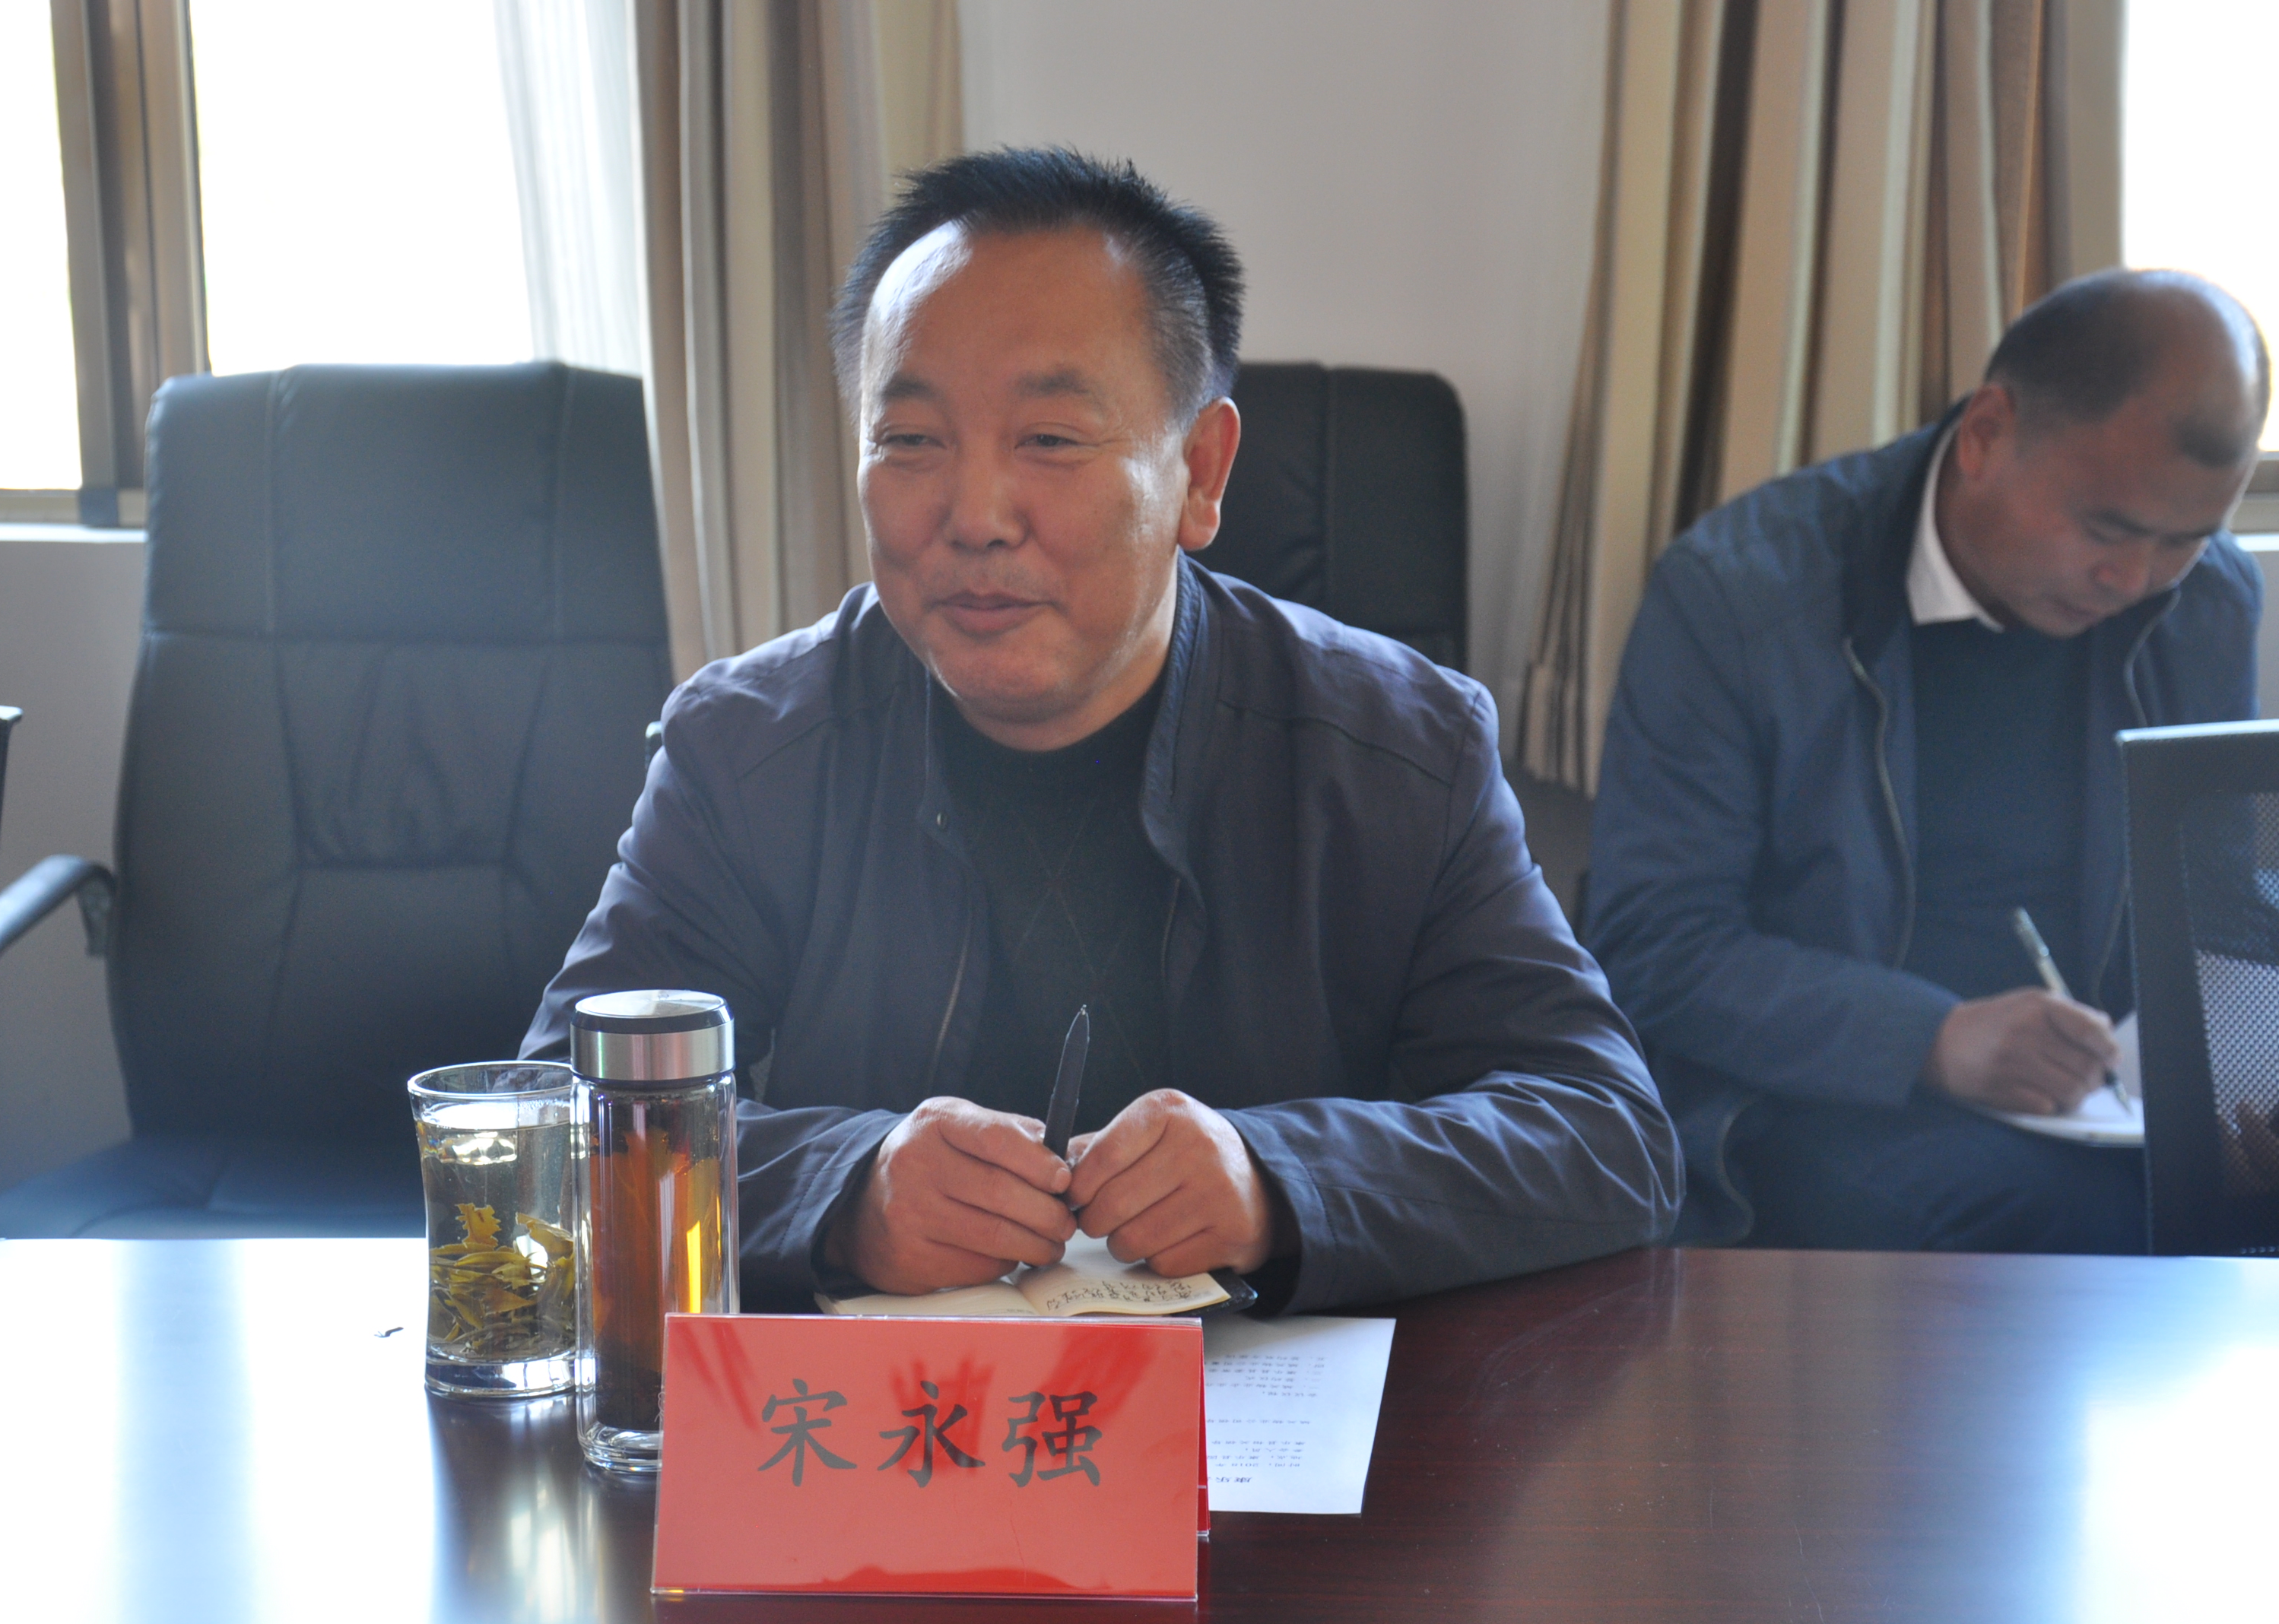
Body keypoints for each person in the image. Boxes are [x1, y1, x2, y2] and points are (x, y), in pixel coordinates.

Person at [522, 147, 1678, 1312]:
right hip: (885, 1415)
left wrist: (1281, 1181)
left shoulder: (1396, 751)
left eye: (1052, 441)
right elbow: (550, 1129)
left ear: (1200, 472)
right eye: (911, 440)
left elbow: (1604, 1136)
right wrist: (845, 1189)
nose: (976, 517)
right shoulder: (751, 752)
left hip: (1276, 1416)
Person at [1587, 269, 2268, 1251]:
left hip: (2105, 1099)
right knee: (2090, 1230)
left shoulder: (2202, 602)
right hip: (1818, 1099)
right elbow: (1653, 943)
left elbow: (2220, 905)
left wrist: (2253, 1078)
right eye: (2106, 529)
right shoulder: (1740, 596)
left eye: (2185, 540)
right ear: (1986, 433)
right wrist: (1933, 1039)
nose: (2133, 579)